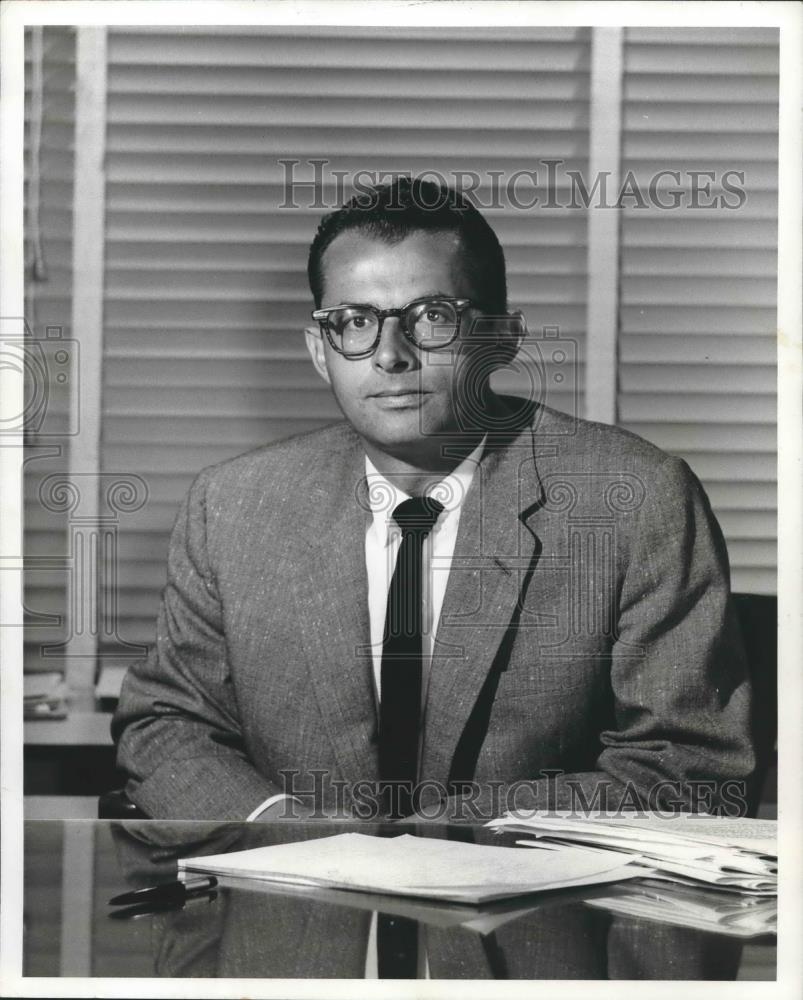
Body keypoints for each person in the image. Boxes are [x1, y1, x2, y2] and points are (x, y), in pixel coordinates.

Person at [112, 177, 755, 822]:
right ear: (320, 351)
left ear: (502, 338)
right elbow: (167, 725)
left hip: (536, 911)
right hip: (300, 905)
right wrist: (284, 831)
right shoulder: (232, 507)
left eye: (434, 318)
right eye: (355, 322)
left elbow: (692, 771)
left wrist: (442, 839)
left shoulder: (633, 500)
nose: (390, 356)